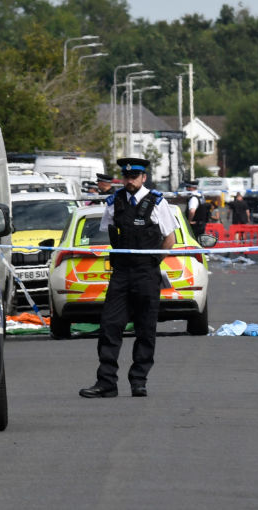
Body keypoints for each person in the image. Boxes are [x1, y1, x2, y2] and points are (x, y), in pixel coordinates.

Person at [80, 157, 177, 399]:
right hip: (121, 274)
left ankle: (139, 380)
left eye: (134, 176)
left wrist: (153, 261)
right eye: (126, 176)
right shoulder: (115, 202)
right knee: (110, 326)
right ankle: (106, 382)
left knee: (146, 329)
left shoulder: (156, 202)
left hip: (146, 272)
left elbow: (170, 239)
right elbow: (108, 233)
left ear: (144, 177)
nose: (130, 180)